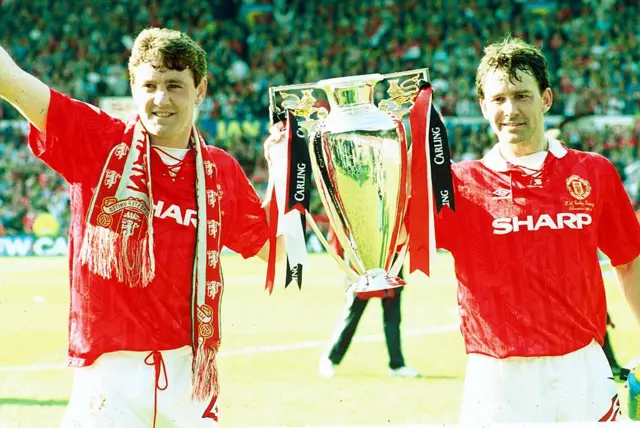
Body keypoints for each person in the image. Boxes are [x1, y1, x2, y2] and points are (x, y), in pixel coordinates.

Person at [0, 28, 284, 428]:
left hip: (189, 376)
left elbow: (270, 250)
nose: (161, 99)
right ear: (133, 86)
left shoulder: (220, 171)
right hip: (107, 377)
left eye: (175, 85)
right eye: (149, 85)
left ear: (200, 90)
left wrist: (283, 173)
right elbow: (11, 82)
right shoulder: (97, 140)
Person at [408, 36, 640, 423]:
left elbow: (630, 262)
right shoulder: (459, 184)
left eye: (522, 95)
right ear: (483, 107)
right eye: (498, 99)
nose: (510, 109)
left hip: (581, 368)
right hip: (498, 377)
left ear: (546, 99)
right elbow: (396, 243)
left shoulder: (593, 171)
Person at [318, 228, 420, 378]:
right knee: (351, 318)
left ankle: (397, 364)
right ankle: (329, 358)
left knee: (393, 320)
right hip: (362, 267)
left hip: (391, 265)